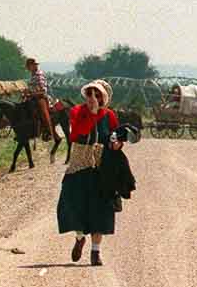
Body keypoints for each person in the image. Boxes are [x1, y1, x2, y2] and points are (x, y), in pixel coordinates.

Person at [58, 80, 126, 266]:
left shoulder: (110, 115)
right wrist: (92, 114)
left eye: (97, 95)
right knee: (73, 201)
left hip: (102, 165)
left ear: (103, 98)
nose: (93, 98)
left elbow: (115, 137)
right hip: (81, 162)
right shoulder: (77, 112)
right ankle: (80, 237)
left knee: (101, 208)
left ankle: (95, 252)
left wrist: (117, 144)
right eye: (90, 94)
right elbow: (77, 133)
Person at [24, 57, 53, 135]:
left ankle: (48, 130)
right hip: (33, 97)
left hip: (41, 97)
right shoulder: (32, 75)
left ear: (33, 65)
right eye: (28, 66)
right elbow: (32, 88)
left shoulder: (39, 74)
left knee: (43, 111)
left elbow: (43, 90)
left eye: (29, 66)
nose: (28, 68)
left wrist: (31, 94)